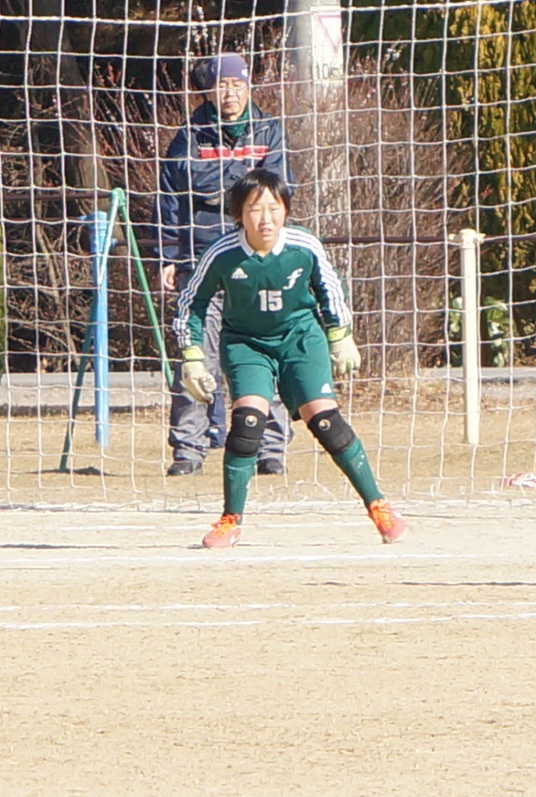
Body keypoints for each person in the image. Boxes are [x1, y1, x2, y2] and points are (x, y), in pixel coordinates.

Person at [173, 168, 406, 548]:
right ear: (238, 214)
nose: (265, 219)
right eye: (254, 209)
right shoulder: (222, 253)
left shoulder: (303, 246)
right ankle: (230, 520)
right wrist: (192, 356)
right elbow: (191, 303)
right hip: (246, 343)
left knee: (326, 421)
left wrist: (341, 335)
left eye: (274, 208)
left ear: (286, 210)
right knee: (248, 421)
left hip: (300, 339)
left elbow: (330, 288)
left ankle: (379, 506)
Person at [158, 51, 291, 477]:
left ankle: (271, 448)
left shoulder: (270, 129)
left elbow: (275, 191)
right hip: (200, 260)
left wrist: (223, 189)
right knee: (196, 356)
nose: (229, 93)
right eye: (220, 86)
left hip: (257, 262)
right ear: (208, 91)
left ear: (248, 85)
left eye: (236, 84)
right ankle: (188, 450)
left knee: (265, 353)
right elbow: (176, 192)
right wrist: (169, 256)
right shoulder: (189, 135)